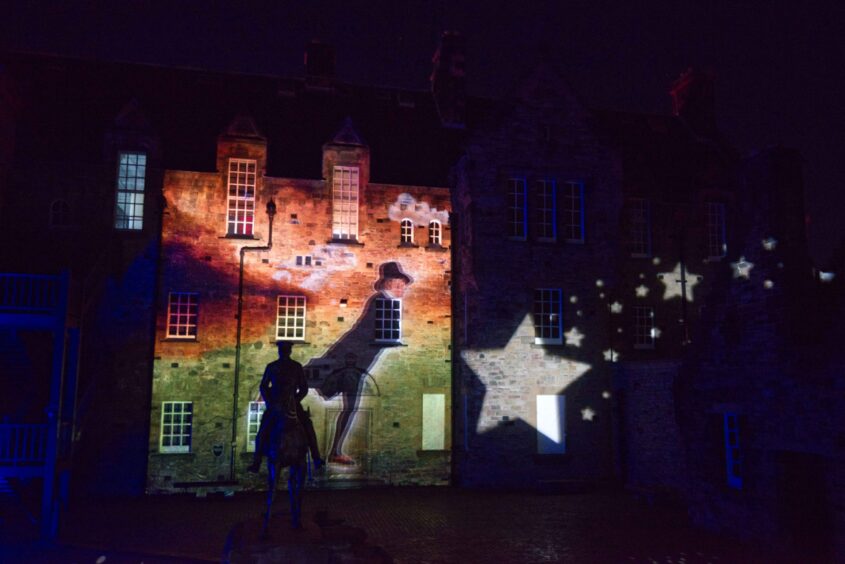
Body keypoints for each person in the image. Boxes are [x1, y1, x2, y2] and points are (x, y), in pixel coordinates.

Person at [248, 341, 323, 473]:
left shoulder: (296, 367)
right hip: (275, 404)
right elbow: (263, 386)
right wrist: (269, 402)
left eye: (286, 349)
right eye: (283, 349)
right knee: (262, 430)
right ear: (280, 351)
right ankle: (257, 461)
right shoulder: (272, 367)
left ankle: (316, 457)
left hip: (292, 403)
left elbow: (304, 388)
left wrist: (295, 400)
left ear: (289, 351)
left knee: (307, 425)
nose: (284, 351)